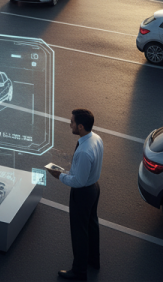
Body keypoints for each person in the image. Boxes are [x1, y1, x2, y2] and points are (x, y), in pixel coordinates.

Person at [48, 108, 103, 281]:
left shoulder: (84, 151)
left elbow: (79, 181)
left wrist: (59, 176)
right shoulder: (96, 138)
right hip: (94, 188)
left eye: (72, 122)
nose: (69, 124)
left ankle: (79, 271)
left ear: (80, 126)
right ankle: (94, 260)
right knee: (92, 225)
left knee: (79, 233)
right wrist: (69, 172)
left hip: (83, 193)